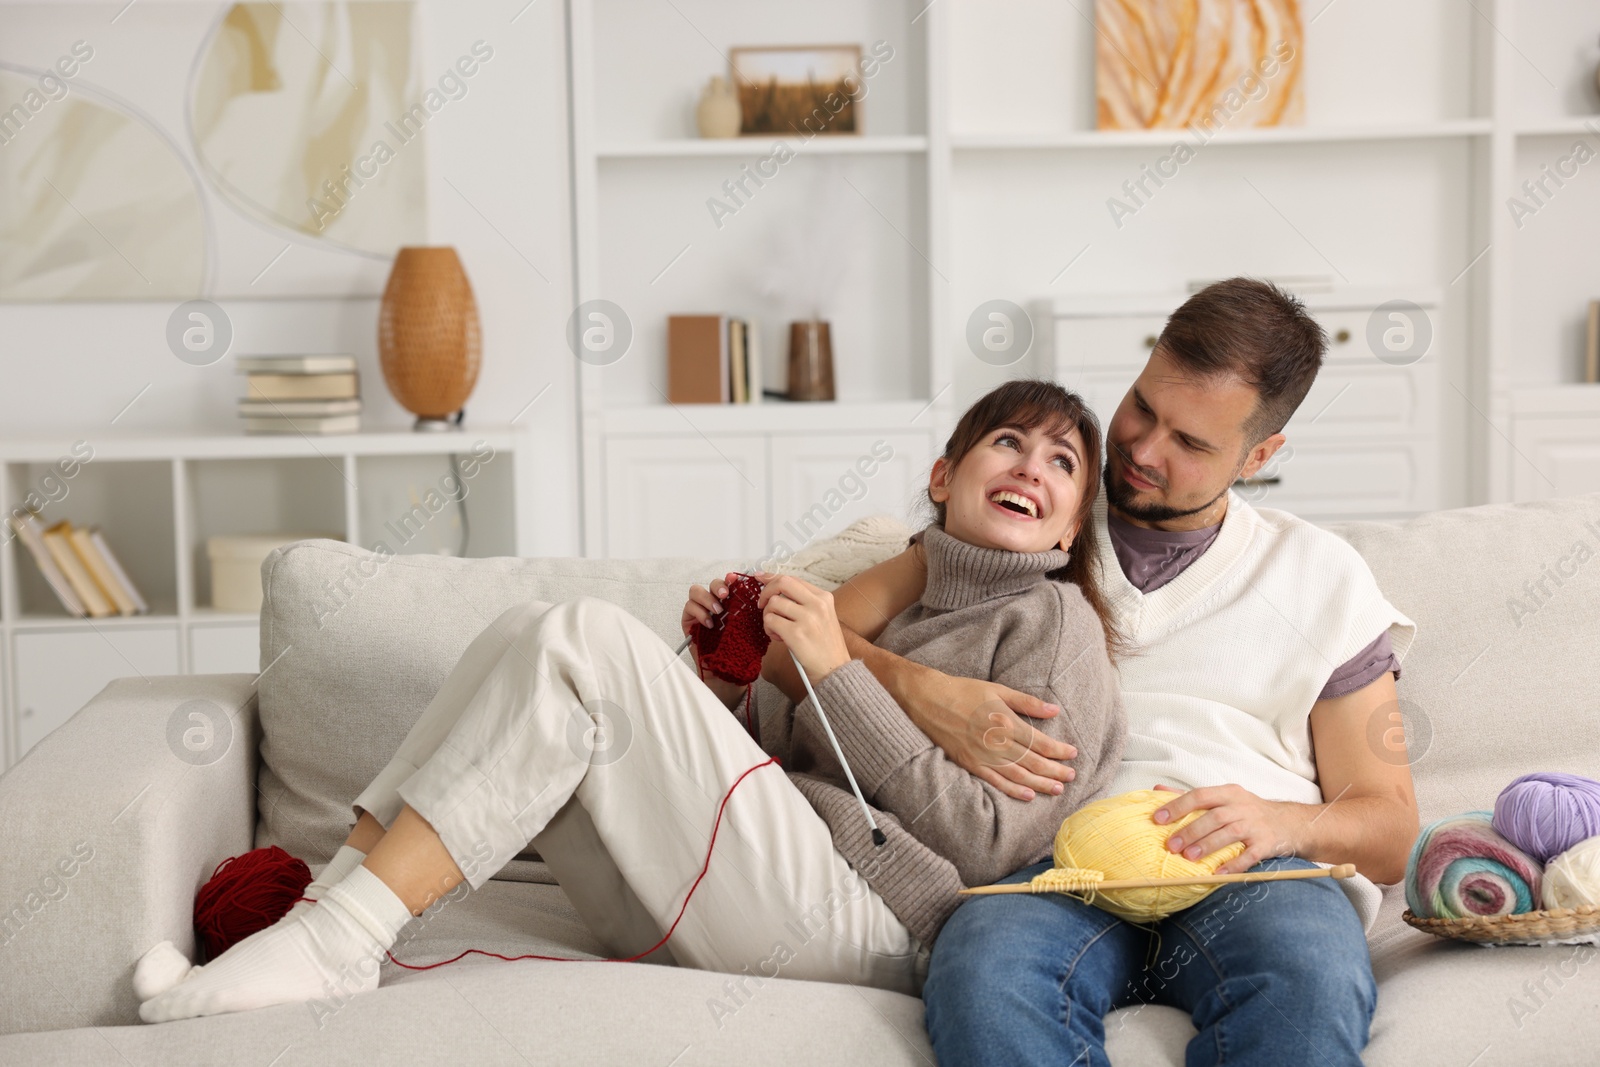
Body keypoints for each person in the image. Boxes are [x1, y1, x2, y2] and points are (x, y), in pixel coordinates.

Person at [133, 379, 1126, 1023]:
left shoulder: (1055, 626)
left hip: (872, 922)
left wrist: (835, 673)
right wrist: (725, 680)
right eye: (1007, 441)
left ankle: (331, 941)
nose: (1029, 467)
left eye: (1061, 462)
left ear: (1075, 518)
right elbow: (777, 764)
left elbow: (991, 844)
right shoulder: (890, 591)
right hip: (758, 881)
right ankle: (322, 921)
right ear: (945, 473)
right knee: (529, 628)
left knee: (584, 636)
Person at [764, 278, 1419, 1066]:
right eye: (1144, 407)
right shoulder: (1036, 516)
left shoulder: (1321, 575)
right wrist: (923, 689)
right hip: (1048, 866)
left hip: (1250, 874)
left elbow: (1390, 828)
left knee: (1310, 980)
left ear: (1259, 455)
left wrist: (1281, 821)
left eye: (1192, 443)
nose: (1143, 451)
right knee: (985, 972)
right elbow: (790, 648)